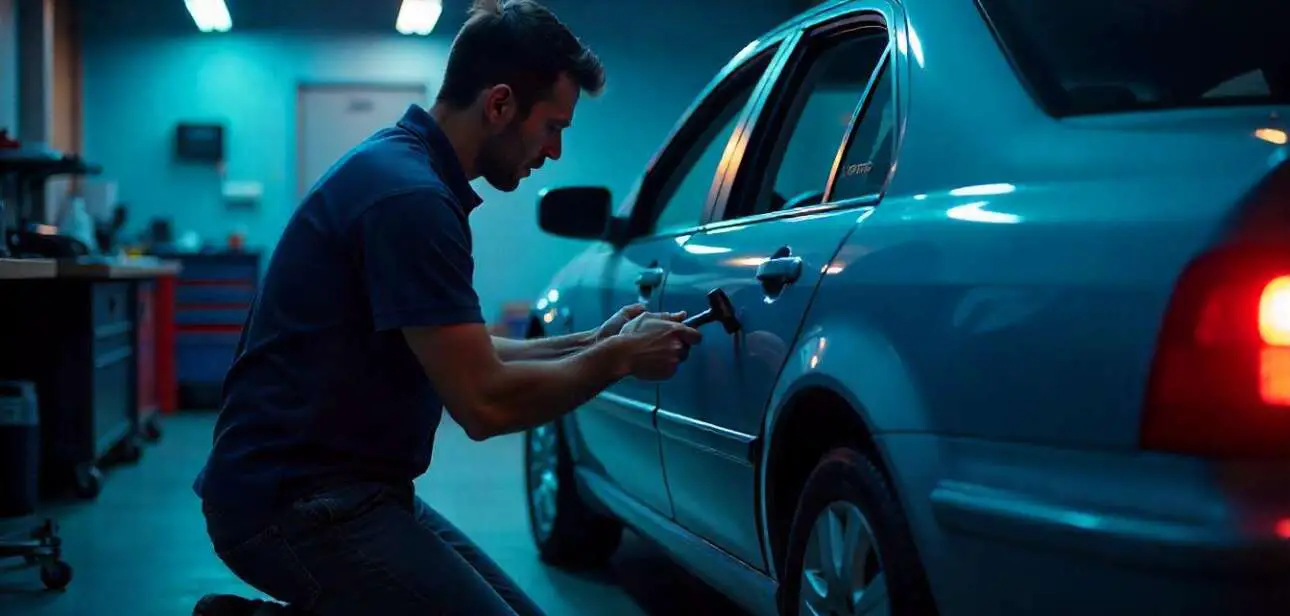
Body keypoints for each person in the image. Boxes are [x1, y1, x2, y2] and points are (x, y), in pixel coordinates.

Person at [191, 1, 702, 614]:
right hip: (296, 506)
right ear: (499, 105)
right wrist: (617, 362)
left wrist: (598, 339)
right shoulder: (411, 199)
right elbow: (483, 403)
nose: (556, 151)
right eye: (553, 127)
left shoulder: (404, 169)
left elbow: (469, 349)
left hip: (347, 491)